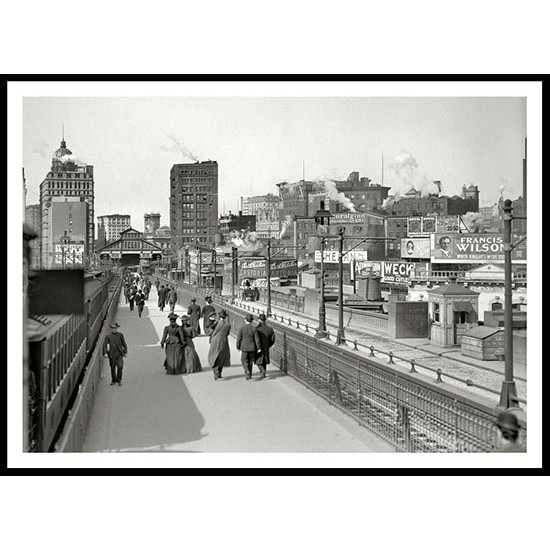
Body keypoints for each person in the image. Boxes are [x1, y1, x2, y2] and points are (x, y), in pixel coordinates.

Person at [207, 309, 231, 380]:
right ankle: (219, 373)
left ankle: (215, 371)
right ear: (225, 317)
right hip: (224, 342)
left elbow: (209, 332)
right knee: (221, 358)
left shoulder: (216, 323)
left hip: (215, 342)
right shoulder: (228, 325)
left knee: (213, 356)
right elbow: (227, 334)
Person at [236, 313, 261, 380]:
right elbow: (257, 339)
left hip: (244, 347)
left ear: (245, 320)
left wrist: (238, 346)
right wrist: (258, 348)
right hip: (252, 348)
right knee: (250, 362)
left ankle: (247, 370)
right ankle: (249, 375)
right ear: (252, 321)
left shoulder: (241, 328)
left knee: (244, 360)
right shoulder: (254, 329)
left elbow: (239, 338)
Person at [255, 313, 276, 379]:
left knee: (258, 360)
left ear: (259, 320)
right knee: (264, 360)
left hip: (258, 346)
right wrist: (269, 345)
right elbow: (273, 339)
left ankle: (262, 370)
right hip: (266, 346)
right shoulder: (270, 329)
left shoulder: (256, 329)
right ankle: (263, 373)